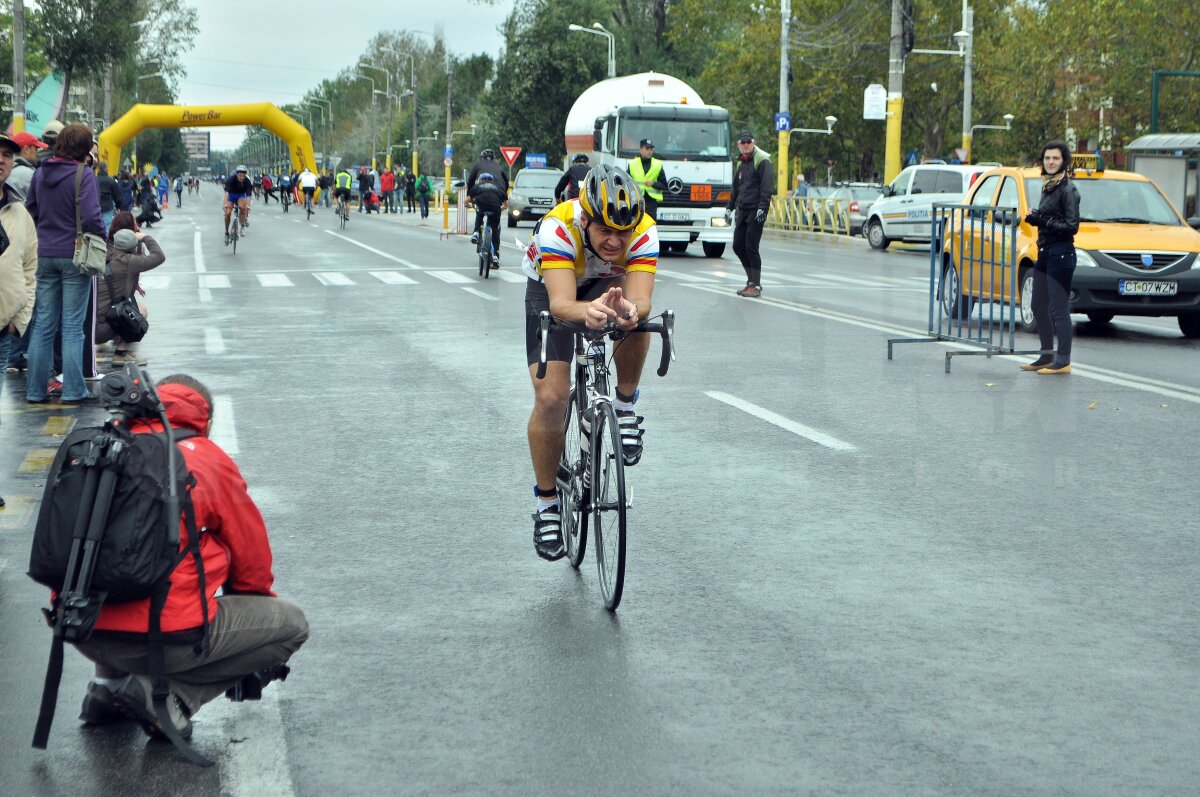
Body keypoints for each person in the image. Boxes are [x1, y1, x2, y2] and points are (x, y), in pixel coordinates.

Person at [72, 374, 309, 741]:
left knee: (117, 569)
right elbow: (252, 563)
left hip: (81, 628)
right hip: (162, 640)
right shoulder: (207, 460)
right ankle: (171, 699)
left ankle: (105, 690)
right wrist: (247, 607)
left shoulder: (106, 447)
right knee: (291, 625)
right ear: (207, 421)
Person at [521, 165, 658, 561]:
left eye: (623, 231)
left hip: (605, 284)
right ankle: (547, 507)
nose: (615, 240)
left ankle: (625, 406)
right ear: (585, 218)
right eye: (604, 230)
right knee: (551, 397)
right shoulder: (559, 229)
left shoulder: (645, 230)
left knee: (635, 317)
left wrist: (629, 311)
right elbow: (562, 304)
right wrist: (588, 312)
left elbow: (641, 298)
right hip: (553, 286)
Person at [23, 124, 105, 404]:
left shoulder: (41, 173)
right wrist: (102, 238)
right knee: (71, 325)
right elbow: (94, 218)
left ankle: (35, 390)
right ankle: (73, 390)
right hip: (75, 254)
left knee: (43, 323)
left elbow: (29, 211)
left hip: (43, 255)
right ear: (84, 149)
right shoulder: (84, 175)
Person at [1, 131, 41, 506]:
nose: (1, 160)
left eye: (6, 155)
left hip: (2, 326)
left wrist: (20, 317)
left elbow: (30, 267)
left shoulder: (18, 213)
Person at [1021, 140, 1081, 375]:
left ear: (1063, 161)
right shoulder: (1048, 186)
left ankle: (1063, 360)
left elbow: (1071, 226)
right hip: (1045, 253)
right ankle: (1046, 355)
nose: (1051, 162)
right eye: (1047, 158)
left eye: (1055, 158)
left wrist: (1041, 220)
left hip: (1061, 254)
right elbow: (1050, 217)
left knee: (1058, 308)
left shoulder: (1068, 189)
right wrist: (1036, 216)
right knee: (1037, 304)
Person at [97, 216, 163, 366]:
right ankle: (121, 353)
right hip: (103, 330)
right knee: (141, 311)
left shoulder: (103, 253)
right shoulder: (129, 262)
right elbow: (159, 256)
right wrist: (145, 237)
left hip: (86, 327)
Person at [726, 130, 773, 298]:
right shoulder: (741, 162)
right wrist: (729, 207)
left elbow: (767, 187)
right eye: (742, 142)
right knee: (738, 246)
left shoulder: (762, 160)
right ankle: (750, 281)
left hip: (756, 210)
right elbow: (736, 188)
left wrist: (763, 208)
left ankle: (756, 285)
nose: (746, 145)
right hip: (743, 209)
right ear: (739, 144)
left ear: (753, 142)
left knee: (751, 247)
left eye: (748, 142)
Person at [468, 173, 506, 263]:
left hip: (482, 207)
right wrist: (500, 209)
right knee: (495, 231)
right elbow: (506, 204)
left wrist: (471, 206)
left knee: (479, 212)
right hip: (495, 209)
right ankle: (495, 255)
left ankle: (476, 232)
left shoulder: (477, 187)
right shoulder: (498, 188)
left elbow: (466, 201)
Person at [628, 139, 668, 221]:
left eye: (651, 149)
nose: (650, 151)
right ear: (641, 149)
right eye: (647, 148)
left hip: (651, 203)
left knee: (650, 226)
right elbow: (626, 182)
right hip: (636, 201)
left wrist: (653, 183)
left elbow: (664, 185)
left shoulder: (657, 164)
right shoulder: (632, 164)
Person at [8, 131, 46, 197]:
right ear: (26, 149)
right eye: (36, 149)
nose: (37, 154)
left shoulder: (6, 169)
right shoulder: (29, 174)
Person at [223, 166, 253, 241]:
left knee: (243, 208)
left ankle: (242, 226)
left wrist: (248, 205)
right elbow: (227, 193)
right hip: (232, 195)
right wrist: (225, 204)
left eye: (243, 175)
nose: (242, 177)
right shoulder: (231, 180)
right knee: (227, 213)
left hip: (241, 195)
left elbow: (248, 195)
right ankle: (226, 232)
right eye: (240, 175)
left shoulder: (247, 181)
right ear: (236, 174)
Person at [96, 163, 121, 231]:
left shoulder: (94, 179)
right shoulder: (111, 181)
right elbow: (117, 195)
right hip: (108, 206)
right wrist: (118, 207)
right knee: (107, 225)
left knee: (96, 225)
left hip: (95, 206)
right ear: (106, 169)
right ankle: (105, 240)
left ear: (98, 169)